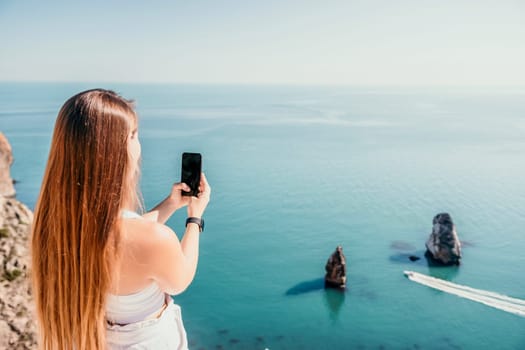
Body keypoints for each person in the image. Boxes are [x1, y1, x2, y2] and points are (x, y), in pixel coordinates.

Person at [31, 89, 211, 350]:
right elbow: (179, 280)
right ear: (115, 151)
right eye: (133, 134)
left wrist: (171, 203)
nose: (138, 142)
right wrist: (195, 219)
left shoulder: (56, 226)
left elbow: (121, 237)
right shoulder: (152, 239)